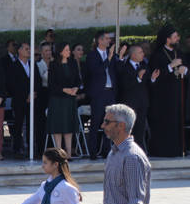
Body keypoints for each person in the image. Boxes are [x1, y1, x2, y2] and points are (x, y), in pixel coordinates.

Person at [148, 24, 187, 157]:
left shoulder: (179, 53)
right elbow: (154, 77)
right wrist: (170, 66)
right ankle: (164, 151)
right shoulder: (157, 55)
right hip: (163, 98)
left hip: (177, 95)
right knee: (165, 124)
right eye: (175, 37)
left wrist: (185, 70)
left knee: (176, 123)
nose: (177, 39)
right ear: (167, 39)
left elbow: (186, 69)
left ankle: (178, 149)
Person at [117, 45, 159, 152]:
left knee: (140, 128)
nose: (143, 54)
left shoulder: (144, 65)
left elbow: (148, 84)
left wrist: (153, 78)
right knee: (129, 128)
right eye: (140, 52)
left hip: (142, 102)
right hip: (130, 103)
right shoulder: (125, 66)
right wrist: (138, 78)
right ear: (133, 55)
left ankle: (139, 151)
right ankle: (127, 150)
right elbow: (124, 85)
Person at [85, 30, 119, 159]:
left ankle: (106, 150)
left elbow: (117, 70)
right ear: (99, 40)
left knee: (110, 122)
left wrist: (119, 57)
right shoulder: (92, 55)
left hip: (110, 92)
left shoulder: (111, 54)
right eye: (106, 38)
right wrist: (108, 59)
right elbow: (96, 71)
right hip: (98, 93)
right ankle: (93, 152)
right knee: (96, 122)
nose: (109, 40)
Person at [47, 43, 81, 157]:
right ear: (60, 51)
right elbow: (51, 84)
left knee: (68, 126)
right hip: (57, 99)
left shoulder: (73, 63)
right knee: (57, 126)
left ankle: (69, 153)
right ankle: (59, 153)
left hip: (69, 99)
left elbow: (78, 80)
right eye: (66, 50)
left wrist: (75, 88)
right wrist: (64, 90)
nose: (69, 52)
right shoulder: (53, 64)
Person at [6, 42, 33, 157]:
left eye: (29, 49)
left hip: (32, 100)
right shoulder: (13, 66)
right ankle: (17, 148)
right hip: (19, 100)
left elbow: (36, 80)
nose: (29, 51)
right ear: (20, 51)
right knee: (18, 124)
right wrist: (25, 95)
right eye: (26, 49)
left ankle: (31, 146)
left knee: (31, 124)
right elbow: (12, 85)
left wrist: (33, 93)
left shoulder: (32, 64)